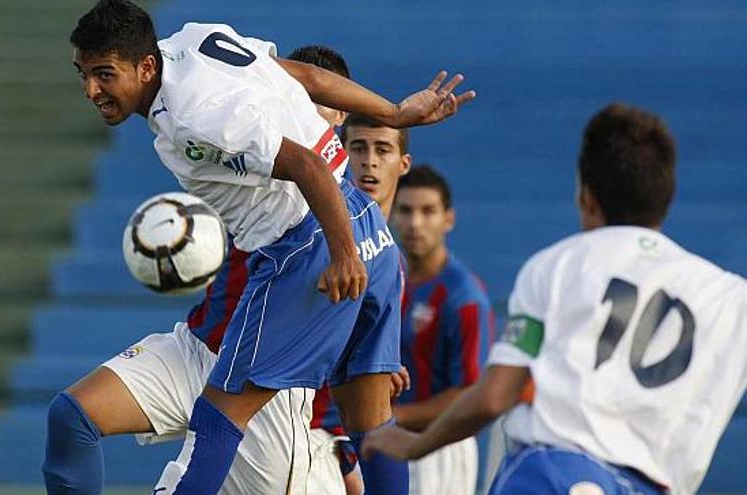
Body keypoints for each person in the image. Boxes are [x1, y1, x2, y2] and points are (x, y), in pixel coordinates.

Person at [60, 1, 477, 494]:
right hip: (373, 233)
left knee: (216, 421)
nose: (92, 90)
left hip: (307, 245)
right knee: (373, 423)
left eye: (104, 75)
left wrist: (342, 255)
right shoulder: (195, 40)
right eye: (84, 74)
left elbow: (308, 166)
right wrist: (393, 112)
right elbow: (306, 75)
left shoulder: (196, 121)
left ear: (145, 66)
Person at [363, 103, 747, 495]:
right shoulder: (730, 298)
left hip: (552, 473)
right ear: (665, 196)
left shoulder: (558, 265)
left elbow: (494, 395)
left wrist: (414, 443)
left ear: (587, 197)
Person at [309, 113, 415, 495]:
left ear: (403, 163)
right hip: (304, 430)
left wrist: (382, 364)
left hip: (343, 438)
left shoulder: (388, 255)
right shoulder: (322, 239)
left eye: (382, 149)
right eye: (358, 147)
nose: (369, 160)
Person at [390, 165, 493, 495]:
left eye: (428, 211)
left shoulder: (463, 297)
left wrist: (392, 416)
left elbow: (468, 393)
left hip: (441, 448)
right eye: (405, 210)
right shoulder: (388, 279)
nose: (415, 223)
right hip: (386, 439)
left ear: (448, 219)